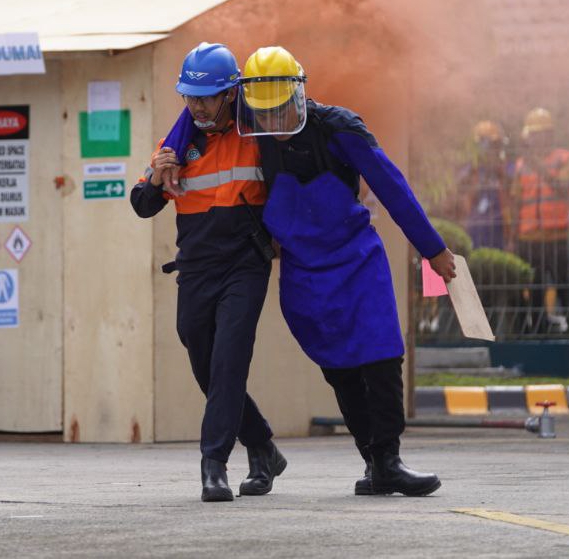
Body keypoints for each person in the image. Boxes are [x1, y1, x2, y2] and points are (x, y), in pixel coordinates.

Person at [235, 46, 455, 496]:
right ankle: (373, 463)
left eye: (280, 112)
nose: (273, 124)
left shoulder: (339, 128)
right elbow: (197, 118)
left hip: (357, 261)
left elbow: (392, 186)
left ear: (298, 95)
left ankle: (390, 457)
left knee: (381, 353)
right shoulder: (250, 135)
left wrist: (433, 249)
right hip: (302, 272)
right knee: (338, 367)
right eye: (264, 115)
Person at [130, 42, 285, 503]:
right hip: (196, 268)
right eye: (190, 97)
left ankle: (213, 465)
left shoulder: (257, 134)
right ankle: (262, 447)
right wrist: (158, 177)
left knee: (229, 360)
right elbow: (141, 205)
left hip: (245, 264)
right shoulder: (177, 144)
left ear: (231, 93)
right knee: (205, 362)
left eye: (207, 97)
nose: (197, 106)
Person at [511, 107, 569, 332]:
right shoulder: (521, 165)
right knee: (536, 288)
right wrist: (513, 238)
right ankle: (538, 330)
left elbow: (564, 187)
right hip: (529, 239)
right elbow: (516, 203)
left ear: (548, 134)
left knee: (565, 284)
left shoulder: (564, 158)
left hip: (555, 237)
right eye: (532, 135)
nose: (534, 139)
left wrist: (539, 167)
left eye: (538, 134)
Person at [459, 120, 510, 250]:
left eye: (495, 145)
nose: (492, 150)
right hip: (475, 232)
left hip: (499, 233)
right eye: (490, 145)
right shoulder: (470, 172)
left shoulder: (505, 171)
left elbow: (511, 203)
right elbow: (464, 205)